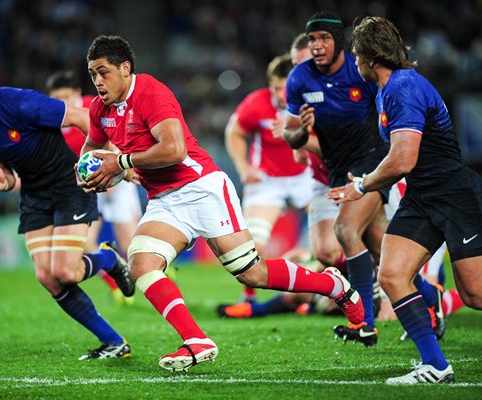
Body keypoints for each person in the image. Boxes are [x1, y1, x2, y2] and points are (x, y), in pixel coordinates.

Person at [80, 34, 364, 372]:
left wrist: (122, 163)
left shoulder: (151, 93)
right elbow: (90, 151)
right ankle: (196, 340)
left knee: (253, 274)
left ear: (125, 68)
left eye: (103, 72)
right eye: (92, 73)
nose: (97, 81)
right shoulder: (100, 109)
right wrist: (98, 171)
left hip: (202, 188)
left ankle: (333, 285)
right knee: (141, 264)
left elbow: (174, 150)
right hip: (164, 200)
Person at [328, 16, 482, 384]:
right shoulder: (389, 89)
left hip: (455, 196)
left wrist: (363, 186)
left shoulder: (403, 87)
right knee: (391, 275)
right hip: (422, 197)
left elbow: (404, 159)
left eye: (356, 55)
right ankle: (435, 365)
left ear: (369, 58)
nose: (354, 62)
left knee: (480, 295)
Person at [0, 56, 135, 361]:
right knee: (47, 276)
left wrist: (109, 162)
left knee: (65, 271)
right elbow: (4, 174)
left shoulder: (20, 103)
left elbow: (83, 118)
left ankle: (109, 259)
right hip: (33, 195)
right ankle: (114, 342)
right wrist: (0, 181)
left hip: (69, 185)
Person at [283, 12, 390, 346]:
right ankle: (431, 302)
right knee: (382, 247)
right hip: (336, 170)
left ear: (338, 40)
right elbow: (291, 138)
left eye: (324, 38)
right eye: (312, 39)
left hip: (373, 162)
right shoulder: (299, 78)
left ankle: (365, 322)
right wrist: (300, 129)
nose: (317, 45)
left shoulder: (360, 72)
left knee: (344, 230)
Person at [223, 53, 314, 304]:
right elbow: (235, 132)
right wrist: (243, 168)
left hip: (305, 176)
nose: (280, 95)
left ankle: (321, 290)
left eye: (285, 89)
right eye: (276, 88)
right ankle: (249, 295)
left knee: (330, 242)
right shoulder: (256, 103)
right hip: (268, 181)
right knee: (253, 245)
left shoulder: (310, 103)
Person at [46, 70, 142, 305]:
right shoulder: (51, 123)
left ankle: (158, 271)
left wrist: (114, 175)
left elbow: (116, 137)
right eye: (57, 99)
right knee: (86, 243)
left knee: (131, 244)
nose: (62, 103)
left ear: (77, 94)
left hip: (117, 179)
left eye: (67, 97)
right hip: (87, 187)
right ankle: (117, 286)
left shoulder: (94, 108)